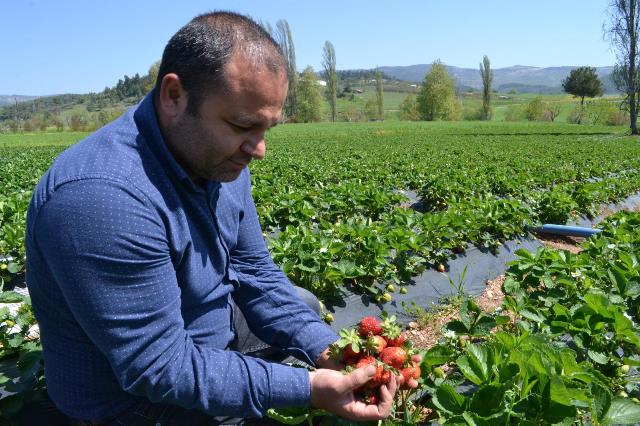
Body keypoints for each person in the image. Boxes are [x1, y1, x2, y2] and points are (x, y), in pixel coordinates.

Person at [25, 11, 413, 425]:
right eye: (243, 124)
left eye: (267, 128)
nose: (258, 149)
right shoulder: (101, 197)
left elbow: (254, 271)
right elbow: (159, 368)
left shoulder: (220, 160)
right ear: (174, 96)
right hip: (133, 401)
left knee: (303, 307)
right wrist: (305, 389)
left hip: (206, 333)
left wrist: (330, 352)